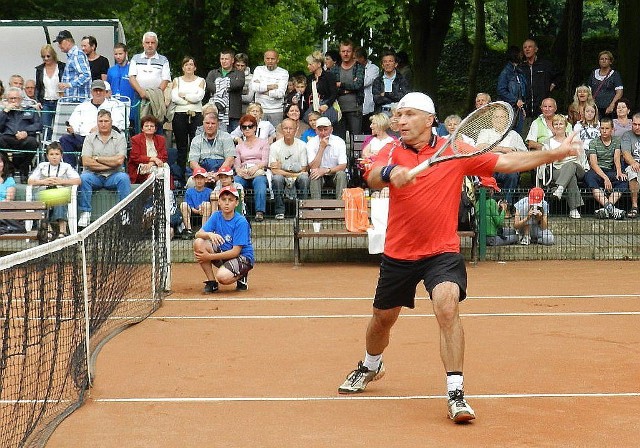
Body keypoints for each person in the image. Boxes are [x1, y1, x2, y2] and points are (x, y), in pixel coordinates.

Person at [336, 92, 580, 423]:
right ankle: (370, 364)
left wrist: (557, 152)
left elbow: (506, 162)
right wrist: (393, 172)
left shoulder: (454, 150)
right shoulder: (391, 148)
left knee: (447, 304)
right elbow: (372, 174)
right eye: (398, 115)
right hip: (400, 252)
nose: (400, 120)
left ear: (428, 119)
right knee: (382, 319)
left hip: (441, 250)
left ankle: (456, 393)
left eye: (408, 114)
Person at [193, 185, 254, 293]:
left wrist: (209, 256)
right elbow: (198, 234)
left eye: (230, 200)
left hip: (242, 257)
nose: (226, 203)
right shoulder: (216, 216)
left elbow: (235, 252)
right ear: (219, 202)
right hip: (224, 252)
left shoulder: (241, 222)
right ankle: (212, 282)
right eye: (223, 199)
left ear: (236, 203)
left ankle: (241, 275)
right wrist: (209, 235)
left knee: (222, 277)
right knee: (199, 242)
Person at [77, 109, 131, 227]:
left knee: (124, 178)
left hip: (113, 175)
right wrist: (110, 163)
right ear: (97, 122)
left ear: (111, 122)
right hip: (94, 175)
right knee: (84, 178)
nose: (103, 124)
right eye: (100, 121)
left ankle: (124, 212)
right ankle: (86, 212)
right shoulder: (89, 138)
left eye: (106, 121)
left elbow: (119, 161)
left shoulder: (120, 138)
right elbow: (86, 161)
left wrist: (97, 158)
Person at [60, 79, 126, 167]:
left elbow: (119, 124)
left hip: (106, 138)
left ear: (105, 92)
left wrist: (99, 128)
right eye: (95, 90)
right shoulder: (82, 106)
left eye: (100, 90)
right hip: (84, 138)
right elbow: (73, 123)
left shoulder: (113, 106)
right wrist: (73, 129)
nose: (98, 93)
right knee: (65, 139)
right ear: (91, 92)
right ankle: (70, 169)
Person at [27, 142, 81, 239]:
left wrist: (62, 181)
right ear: (47, 156)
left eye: (57, 154)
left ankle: (62, 229)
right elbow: (30, 181)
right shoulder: (42, 166)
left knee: (59, 197)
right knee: (37, 197)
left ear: (61, 155)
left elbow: (78, 180)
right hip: (45, 191)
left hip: (60, 191)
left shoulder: (66, 166)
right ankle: (47, 228)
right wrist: (44, 181)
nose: (54, 157)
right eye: (51, 154)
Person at [476, 106, 528, 205]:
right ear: (492, 119)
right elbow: (479, 147)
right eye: (496, 117)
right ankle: (488, 206)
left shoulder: (514, 135)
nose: (499, 120)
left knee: (512, 175)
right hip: (489, 166)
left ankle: (506, 205)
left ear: (508, 120)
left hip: (507, 166)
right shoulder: (485, 132)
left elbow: (525, 153)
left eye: (502, 117)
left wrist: (515, 152)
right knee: (482, 174)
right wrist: (503, 149)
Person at [544, 114, 586, 219]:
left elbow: (578, 154)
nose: (558, 126)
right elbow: (547, 159)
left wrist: (560, 156)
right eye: (556, 124)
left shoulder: (573, 139)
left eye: (561, 124)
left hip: (576, 167)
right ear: (552, 126)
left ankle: (559, 188)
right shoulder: (547, 142)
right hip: (556, 169)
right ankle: (573, 209)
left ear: (565, 125)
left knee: (570, 164)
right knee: (571, 177)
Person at [585, 117, 627, 219]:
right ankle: (612, 209)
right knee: (589, 177)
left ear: (612, 129)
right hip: (597, 171)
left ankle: (607, 208)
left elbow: (617, 158)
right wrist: (605, 178)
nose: (604, 131)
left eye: (607, 128)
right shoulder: (593, 142)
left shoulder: (616, 140)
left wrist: (619, 171)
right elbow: (594, 164)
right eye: (602, 128)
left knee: (623, 179)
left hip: (611, 170)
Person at [171, 56, 205, 180]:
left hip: (196, 115)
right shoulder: (177, 80)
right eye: (186, 65)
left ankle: (197, 175)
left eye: (191, 64)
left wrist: (184, 95)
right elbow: (174, 98)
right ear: (183, 67)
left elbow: (199, 97)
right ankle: (180, 177)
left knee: (196, 145)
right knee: (181, 146)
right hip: (179, 115)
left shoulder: (201, 80)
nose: (189, 67)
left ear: (195, 67)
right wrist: (190, 99)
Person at [269, 117, 310, 219]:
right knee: (277, 178)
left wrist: (282, 167)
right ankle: (280, 211)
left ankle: (302, 210)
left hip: (298, 176)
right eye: (285, 128)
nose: (288, 131)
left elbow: (304, 168)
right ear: (281, 130)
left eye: (290, 128)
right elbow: (274, 169)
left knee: (304, 178)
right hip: (285, 176)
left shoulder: (302, 145)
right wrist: (294, 173)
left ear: (296, 130)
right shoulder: (274, 146)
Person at [128, 31, 171, 125]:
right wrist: (141, 92)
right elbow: (131, 77)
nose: (150, 45)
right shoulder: (135, 58)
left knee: (156, 124)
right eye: (147, 43)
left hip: (157, 99)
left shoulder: (163, 60)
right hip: (139, 97)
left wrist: (154, 94)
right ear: (143, 44)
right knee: (140, 125)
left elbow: (166, 79)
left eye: (152, 42)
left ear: (156, 44)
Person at [233, 114, 270, 222]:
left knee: (260, 182)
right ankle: (237, 211)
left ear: (255, 127)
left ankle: (259, 211)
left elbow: (265, 161)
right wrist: (240, 171)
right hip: (244, 172)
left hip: (257, 171)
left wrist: (256, 167)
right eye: (244, 127)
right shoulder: (239, 146)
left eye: (250, 126)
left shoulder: (263, 143)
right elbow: (237, 164)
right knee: (236, 182)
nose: (247, 129)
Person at [0, 86, 42, 178]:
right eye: (11, 98)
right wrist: (5, 111)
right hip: (8, 138)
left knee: (33, 142)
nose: (13, 101)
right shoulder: (4, 112)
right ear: (7, 100)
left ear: (21, 99)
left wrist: (26, 132)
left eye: (16, 98)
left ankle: (24, 168)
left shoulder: (30, 110)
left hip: (25, 138)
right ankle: (9, 168)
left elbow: (38, 125)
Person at [520, 39, 560, 125]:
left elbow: (559, 76)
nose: (527, 49)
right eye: (525, 47)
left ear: (536, 49)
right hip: (525, 110)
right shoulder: (521, 67)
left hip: (542, 108)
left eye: (530, 47)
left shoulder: (545, 64)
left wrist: (552, 85)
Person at [330, 39, 364, 139]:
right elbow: (332, 88)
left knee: (356, 140)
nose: (346, 54)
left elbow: (358, 85)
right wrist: (348, 87)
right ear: (340, 53)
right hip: (338, 109)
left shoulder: (359, 67)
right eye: (343, 51)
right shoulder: (335, 68)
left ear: (352, 52)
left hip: (355, 108)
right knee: (339, 140)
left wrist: (341, 84)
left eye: (348, 51)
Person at [306, 116, 347, 199]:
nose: (323, 133)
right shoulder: (311, 143)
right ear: (316, 131)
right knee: (314, 174)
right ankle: (316, 208)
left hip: (334, 173)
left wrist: (326, 170)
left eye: (326, 129)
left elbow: (343, 165)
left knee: (342, 175)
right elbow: (313, 166)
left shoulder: (339, 141)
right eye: (320, 130)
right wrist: (321, 148)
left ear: (331, 129)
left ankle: (339, 206)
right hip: (319, 174)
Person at [205, 49, 245, 132]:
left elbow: (238, 84)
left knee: (234, 139)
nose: (224, 61)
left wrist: (219, 84)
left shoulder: (239, 73)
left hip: (233, 114)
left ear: (232, 60)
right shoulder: (213, 73)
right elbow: (209, 86)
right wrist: (227, 85)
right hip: (216, 114)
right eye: (222, 59)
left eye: (226, 59)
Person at [188, 111, 235, 179]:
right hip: (201, 175)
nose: (210, 126)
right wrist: (204, 175)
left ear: (218, 124)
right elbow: (193, 162)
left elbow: (230, 160)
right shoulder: (196, 140)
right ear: (203, 124)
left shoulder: (226, 137)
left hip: (223, 174)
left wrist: (218, 174)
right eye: (207, 123)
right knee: (190, 183)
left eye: (213, 123)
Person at [251, 50, 289, 126]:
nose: (270, 61)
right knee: (258, 134)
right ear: (264, 59)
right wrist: (270, 87)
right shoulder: (258, 69)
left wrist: (262, 89)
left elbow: (280, 93)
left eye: (272, 59)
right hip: (259, 110)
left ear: (277, 60)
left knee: (276, 135)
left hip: (276, 110)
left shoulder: (283, 73)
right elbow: (254, 87)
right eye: (267, 59)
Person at [477, 177, 518, 246]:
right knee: (516, 237)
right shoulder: (492, 202)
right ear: (489, 189)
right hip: (492, 239)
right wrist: (504, 210)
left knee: (512, 231)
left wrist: (498, 209)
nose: (493, 191)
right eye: (493, 189)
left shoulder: (478, 202)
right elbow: (499, 223)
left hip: (480, 238)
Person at [128, 115, 167, 184]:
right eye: (146, 126)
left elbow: (164, 156)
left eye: (152, 126)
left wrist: (152, 163)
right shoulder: (136, 139)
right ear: (142, 129)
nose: (149, 128)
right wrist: (153, 159)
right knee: (151, 176)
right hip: (141, 169)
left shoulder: (161, 139)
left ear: (155, 129)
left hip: (157, 166)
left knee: (164, 172)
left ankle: (167, 193)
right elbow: (135, 157)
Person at [53, 30, 91, 100]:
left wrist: (68, 84)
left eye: (60, 42)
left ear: (68, 41)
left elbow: (86, 75)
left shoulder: (76, 54)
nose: (59, 45)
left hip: (77, 100)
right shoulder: (72, 55)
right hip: (73, 99)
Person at [107, 43, 137, 131]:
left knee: (131, 129)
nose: (118, 56)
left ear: (126, 53)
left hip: (130, 105)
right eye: (116, 54)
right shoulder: (111, 70)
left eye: (120, 54)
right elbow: (108, 87)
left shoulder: (132, 68)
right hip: (115, 105)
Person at [496, 45, 527, 133]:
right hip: (508, 108)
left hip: (518, 109)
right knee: (508, 133)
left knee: (518, 134)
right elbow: (501, 90)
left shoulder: (519, 72)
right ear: (515, 55)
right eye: (520, 54)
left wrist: (522, 107)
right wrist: (515, 100)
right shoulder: (506, 72)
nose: (522, 55)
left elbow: (521, 92)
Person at [303, 50, 339, 125]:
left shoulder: (329, 76)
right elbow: (306, 96)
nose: (308, 66)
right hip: (312, 109)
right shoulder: (309, 78)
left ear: (319, 64)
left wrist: (326, 105)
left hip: (326, 108)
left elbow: (334, 94)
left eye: (310, 64)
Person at [35, 44, 66, 129]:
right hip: (45, 102)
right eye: (43, 56)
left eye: (48, 56)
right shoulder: (40, 69)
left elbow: (67, 83)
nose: (46, 59)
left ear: (53, 55)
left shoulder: (62, 67)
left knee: (60, 126)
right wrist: (37, 101)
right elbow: (38, 87)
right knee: (46, 127)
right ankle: (46, 142)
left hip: (59, 101)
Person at [372, 49, 410, 115]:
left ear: (395, 64)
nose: (387, 64)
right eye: (385, 61)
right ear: (382, 65)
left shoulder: (402, 79)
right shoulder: (377, 80)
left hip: (397, 112)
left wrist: (386, 94)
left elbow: (403, 97)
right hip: (381, 113)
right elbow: (376, 99)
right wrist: (394, 99)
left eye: (390, 61)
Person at [587, 51, 623, 119]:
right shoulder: (593, 73)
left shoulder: (615, 75)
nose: (604, 61)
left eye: (606, 59)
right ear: (599, 61)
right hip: (594, 109)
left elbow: (619, 92)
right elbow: (588, 90)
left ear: (610, 61)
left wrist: (612, 105)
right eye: (601, 59)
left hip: (609, 110)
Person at [180, 167, 213, 239]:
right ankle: (189, 230)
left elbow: (211, 207)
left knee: (207, 204)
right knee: (183, 205)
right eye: (197, 178)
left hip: (205, 214)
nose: (199, 180)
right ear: (193, 179)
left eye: (202, 178)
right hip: (192, 215)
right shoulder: (189, 191)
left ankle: (204, 230)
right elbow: (190, 206)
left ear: (205, 179)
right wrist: (197, 210)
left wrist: (202, 208)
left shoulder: (210, 191)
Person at [355, 47, 379, 132]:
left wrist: (356, 81)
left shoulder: (374, 68)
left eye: (355, 58)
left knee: (368, 130)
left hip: (368, 104)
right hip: (356, 105)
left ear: (362, 58)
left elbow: (365, 82)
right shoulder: (355, 68)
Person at [621, 113, 640, 218]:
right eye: (634, 124)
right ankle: (634, 206)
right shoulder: (627, 135)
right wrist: (633, 162)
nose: (637, 127)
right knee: (633, 172)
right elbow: (626, 153)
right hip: (633, 165)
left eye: (639, 125)